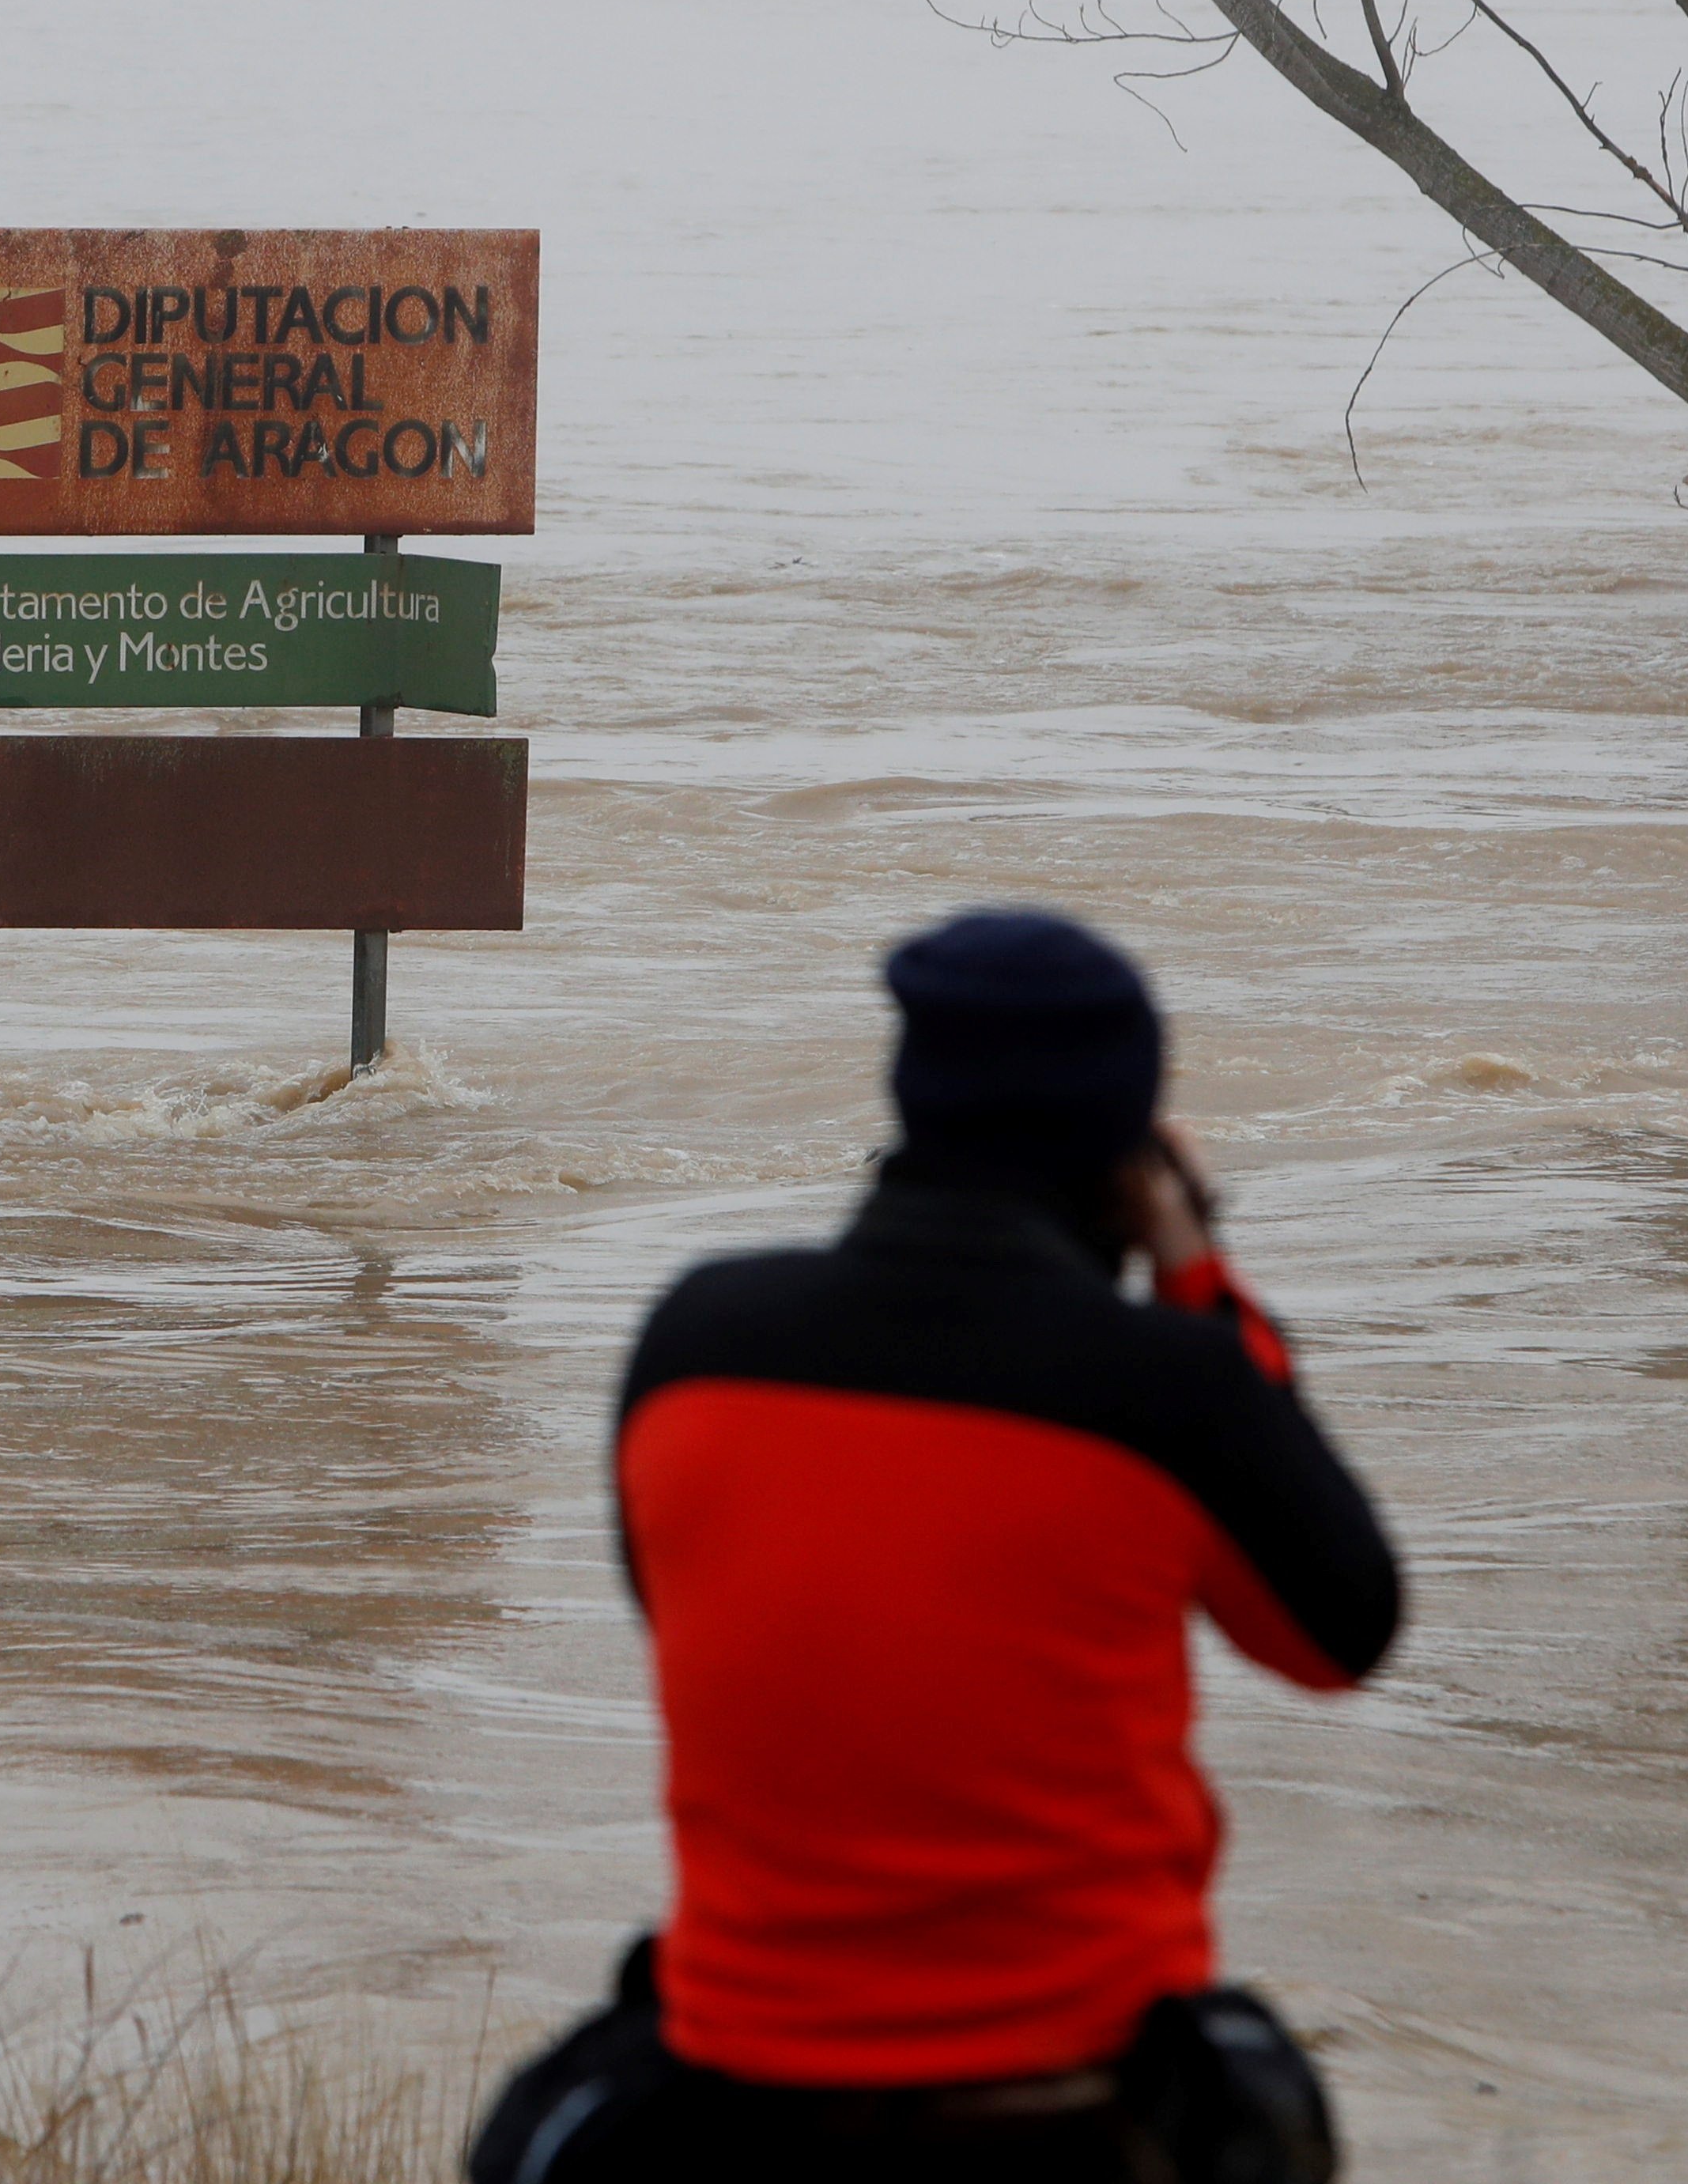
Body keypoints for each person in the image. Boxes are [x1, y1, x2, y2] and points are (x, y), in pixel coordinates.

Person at [475, 910, 1401, 2183]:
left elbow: (676, 1606)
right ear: (1129, 1152)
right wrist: (1199, 1269)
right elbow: (1343, 1634)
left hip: (749, 2096)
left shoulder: (695, 1342)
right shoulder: (1170, 1388)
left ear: (911, 1096)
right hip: (1068, 2102)